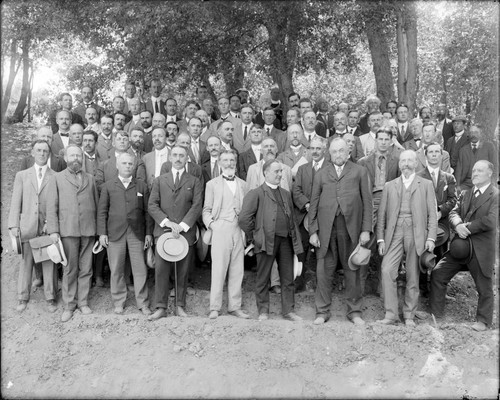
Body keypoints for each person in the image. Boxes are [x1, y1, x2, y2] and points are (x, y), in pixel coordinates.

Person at [308, 138, 372, 325]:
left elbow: (367, 203)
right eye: (334, 151)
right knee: (323, 271)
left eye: (341, 151)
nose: (338, 155)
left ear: (348, 152)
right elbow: (313, 204)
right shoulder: (321, 174)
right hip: (326, 229)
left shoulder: (359, 171)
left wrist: (366, 230)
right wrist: (313, 231)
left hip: (350, 228)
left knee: (352, 269)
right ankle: (322, 311)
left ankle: (355, 312)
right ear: (329, 153)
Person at [430, 160, 498, 331]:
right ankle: (437, 315)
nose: (474, 173)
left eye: (479, 171)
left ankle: (483, 321)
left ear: (490, 173)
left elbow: (491, 220)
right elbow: (453, 212)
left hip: (480, 248)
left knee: (484, 285)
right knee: (438, 273)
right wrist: (458, 224)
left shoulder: (496, 195)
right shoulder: (466, 193)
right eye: (473, 170)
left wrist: (466, 227)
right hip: (460, 247)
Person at [376, 150, 437, 327]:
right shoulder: (390, 185)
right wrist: (380, 239)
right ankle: (391, 314)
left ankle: (409, 315)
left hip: (416, 232)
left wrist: (431, 237)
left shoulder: (425, 184)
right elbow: (382, 215)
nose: (406, 164)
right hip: (394, 232)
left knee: (412, 273)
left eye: (410, 160)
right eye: (403, 161)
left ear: (417, 163)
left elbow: (432, 215)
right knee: (387, 270)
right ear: (399, 164)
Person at [239, 159, 304, 322]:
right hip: (266, 242)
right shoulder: (256, 193)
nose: (280, 174)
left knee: (288, 278)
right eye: (276, 171)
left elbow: (292, 219)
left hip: (286, 242)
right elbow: (244, 219)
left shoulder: (286, 194)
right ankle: (263, 311)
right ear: (266, 172)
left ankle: (288, 311)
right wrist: (255, 236)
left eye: (281, 171)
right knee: (263, 277)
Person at [148, 145, 203, 320]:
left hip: (184, 233)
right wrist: (167, 222)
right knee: (161, 271)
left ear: (187, 158)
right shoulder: (159, 180)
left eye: (182, 155)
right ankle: (161, 307)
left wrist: (182, 226)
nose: (178, 158)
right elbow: (152, 205)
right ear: (170, 158)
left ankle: (180, 306)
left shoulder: (194, 181)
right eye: (175, 155)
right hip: (163, 231)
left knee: (183, 270)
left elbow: (197, 206)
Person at [46, 145, 99, 322]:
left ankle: (83, 302)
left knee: (86, 268)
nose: (76, 158)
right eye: (72, 155)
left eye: (79, 155)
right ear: (66, 158)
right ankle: (69, 305)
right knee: (70, 269)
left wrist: (98, 230)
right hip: (68, 230)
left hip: (88, 230)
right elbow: (51, 207)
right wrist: (53, 230)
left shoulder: (90, 178)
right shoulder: (57, 178)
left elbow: (97, 205)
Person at [97, 152, 153, 315]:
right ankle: (118, 301)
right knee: (116, 268)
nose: (127, 166)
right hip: (115, 233)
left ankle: (142, 302)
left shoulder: (141, 185)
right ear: (117, 165)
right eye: (124, 163)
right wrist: (102, 233)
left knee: (140, 268)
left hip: (137, 233)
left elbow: (147, 212)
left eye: (130, 163)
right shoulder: (108, 186)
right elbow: (102, 211)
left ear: (134, 165)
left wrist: (149, 233)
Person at [9, 140, 58, 313]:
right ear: (32, 152)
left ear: (49, 154)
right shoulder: (22, 175)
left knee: (48, 262)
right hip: (27, 226)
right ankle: (23, 297)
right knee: (26, 263)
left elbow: (56, 205)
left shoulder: (55, 176)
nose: (42, 154)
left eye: (45, 151)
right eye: (39, 150)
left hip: (45, 228)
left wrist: (51, 225)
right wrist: (14, 225)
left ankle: (50, 298)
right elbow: (16, 202)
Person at [203, 149, 249, 319]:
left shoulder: (243, 184)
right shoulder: (212, 184)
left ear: (236, 163)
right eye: (225, 160)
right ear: (220, 163)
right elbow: (206, 210)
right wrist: (213, 225)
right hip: (220, 228)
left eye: (232, 160)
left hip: (239, 229)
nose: (229, 163)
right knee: (218, 269)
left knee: (238, 269)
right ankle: (214, 307)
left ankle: (234, 306)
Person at [292, 136, 330, 292]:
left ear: (324, 150)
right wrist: (307, 204)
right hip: (304, 216)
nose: (314, 151)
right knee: (301, 250)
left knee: (321, 252)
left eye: (318, 148)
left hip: (324, 218)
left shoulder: (330, 168)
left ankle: (319, 285)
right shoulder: (303, 169)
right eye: (312, 148)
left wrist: (319, 207)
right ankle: (298, 283)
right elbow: (296, 191)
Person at [454, 124, 498, 191]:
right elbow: (459, 170)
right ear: (468, 135)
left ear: (480, 134)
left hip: (484, 182)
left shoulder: (489, 147)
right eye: (471, 132)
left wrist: (493, 182)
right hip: (467, 184)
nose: (473, 134)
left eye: (476, 132)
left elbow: (495, 166)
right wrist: (457, 186)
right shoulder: (463, 150)